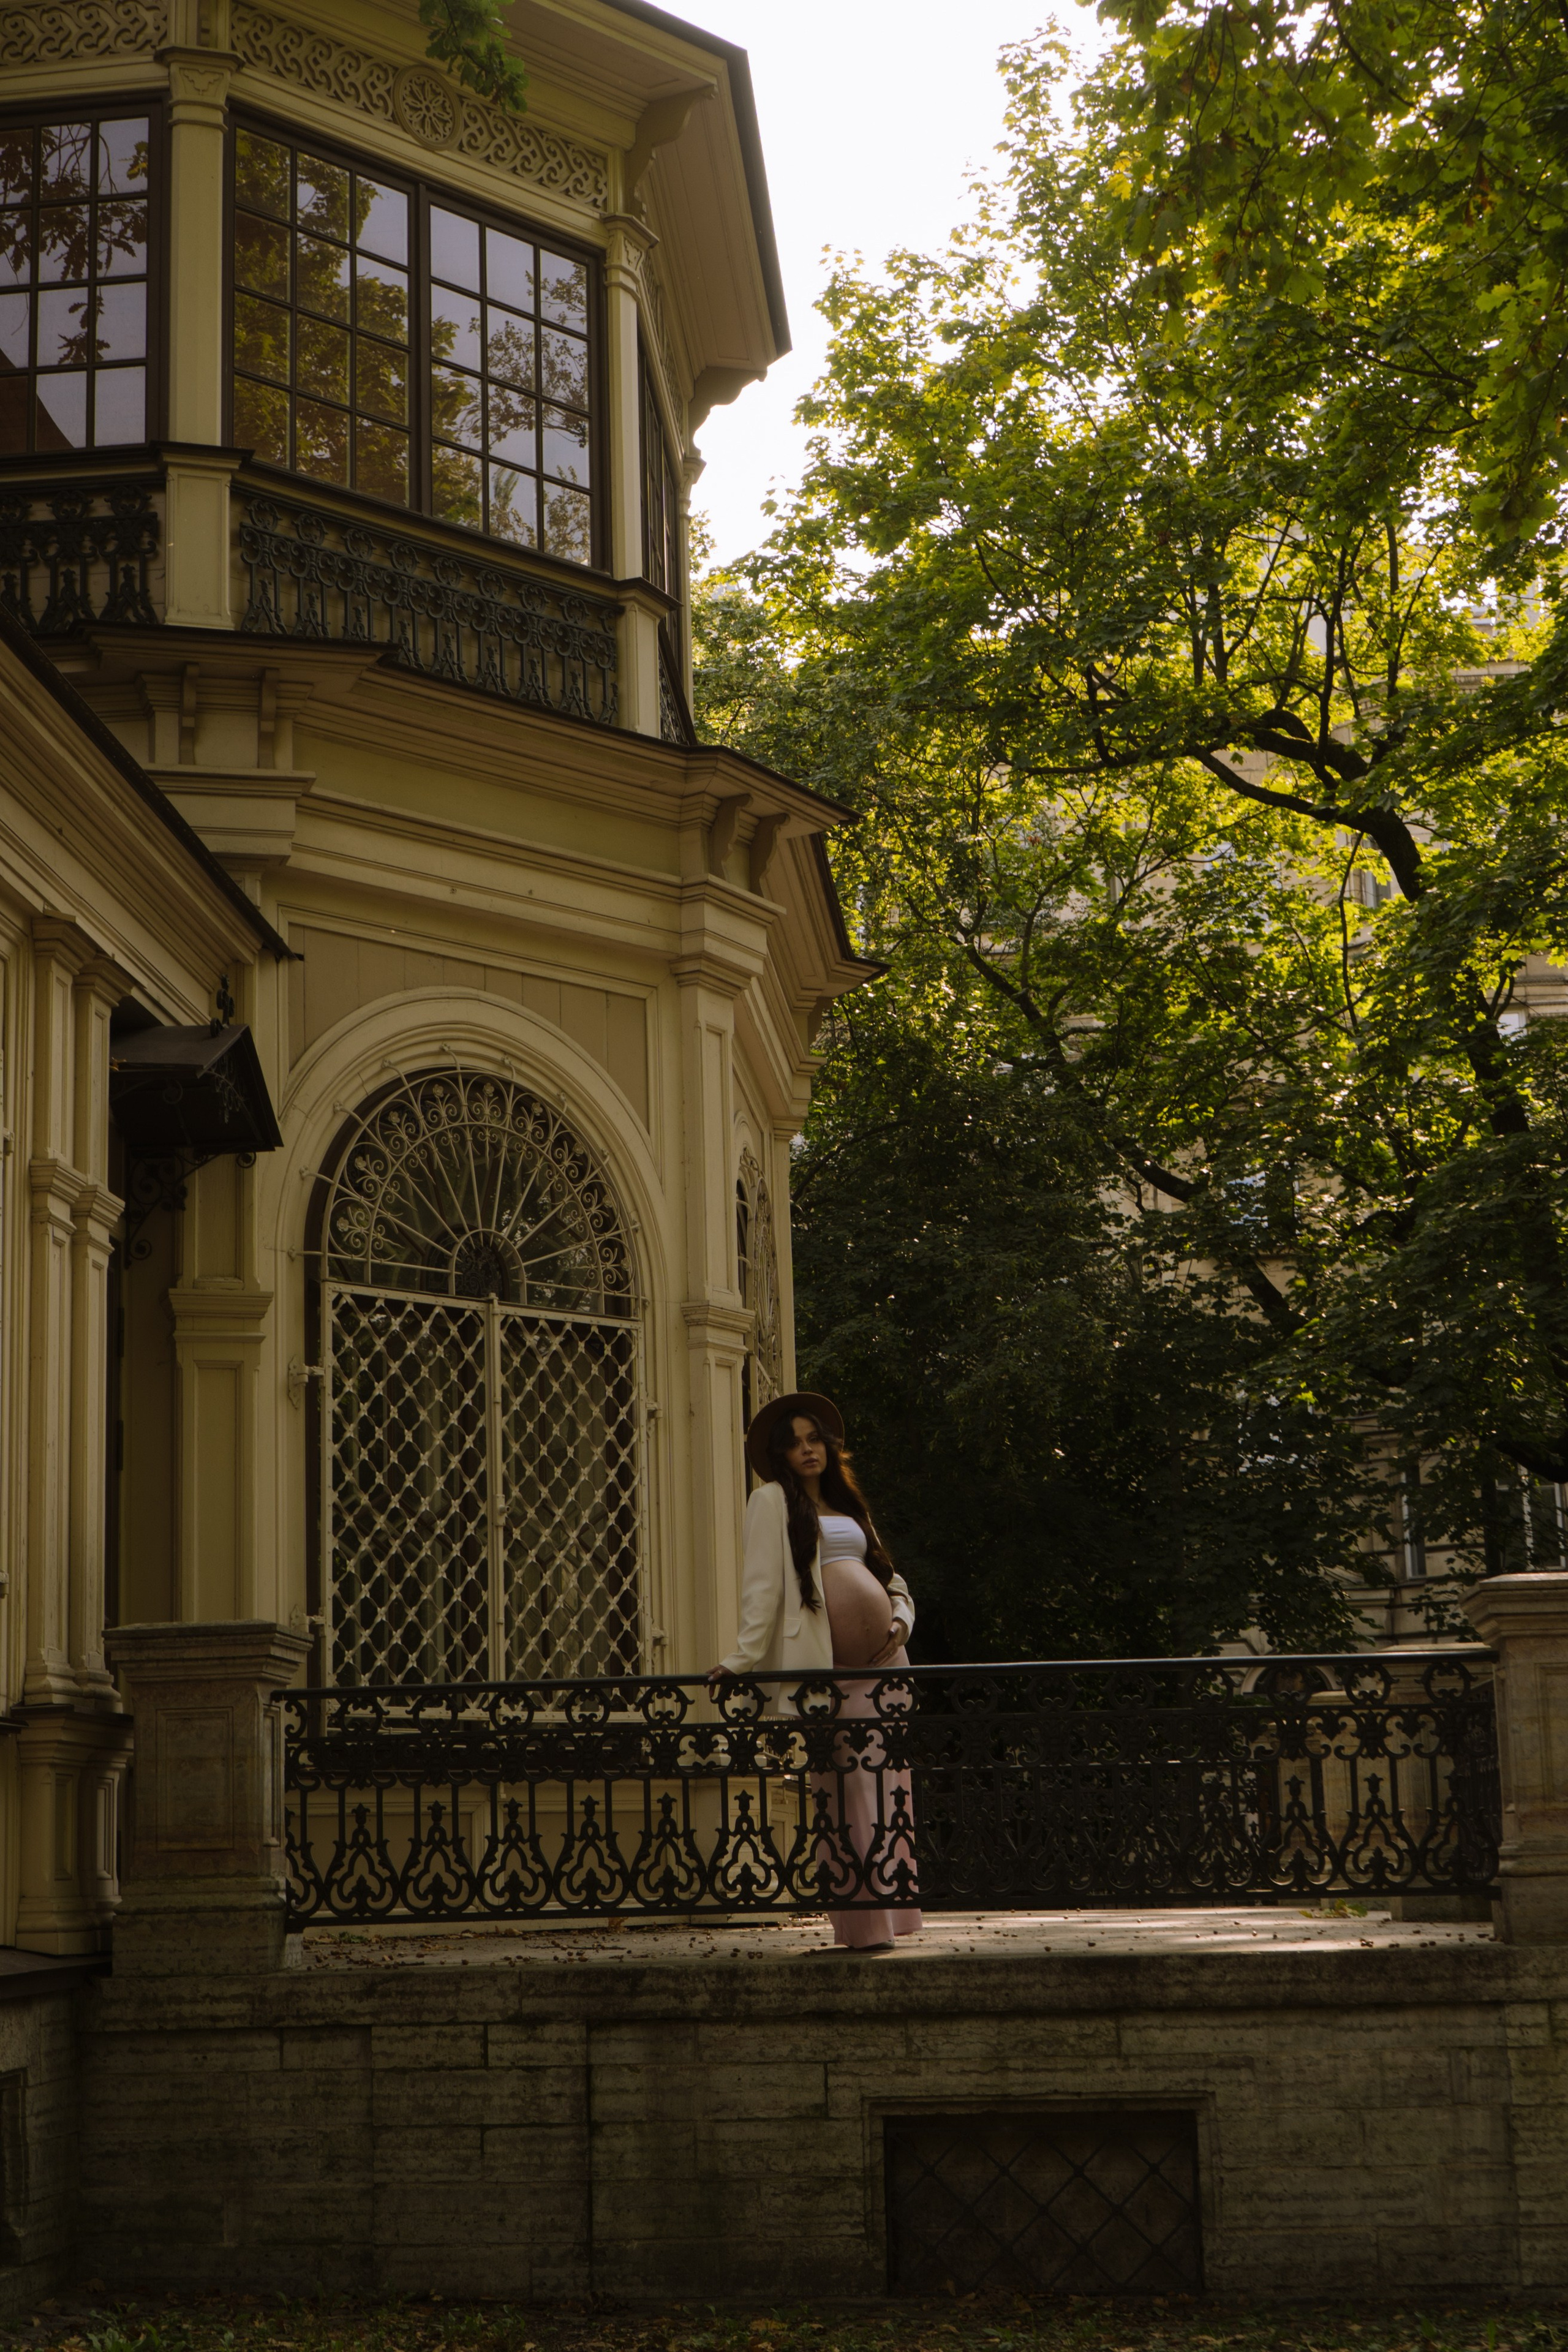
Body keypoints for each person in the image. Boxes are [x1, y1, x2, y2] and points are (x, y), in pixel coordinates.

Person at [711, 1391, 923, 1951]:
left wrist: (899, 1625)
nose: (808, 1451)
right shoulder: (772, 1503)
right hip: (828, 1674)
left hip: (886, 1670)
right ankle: (861, 1926)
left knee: (888, 1791)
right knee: (846, 1791)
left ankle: (893, 1919)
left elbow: (892, 1580)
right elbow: (761, 1589)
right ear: (780, 1456)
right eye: (795, 1444)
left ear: (827, 1448)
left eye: (814, 1440)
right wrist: (740, 1660)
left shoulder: (849, 1504)